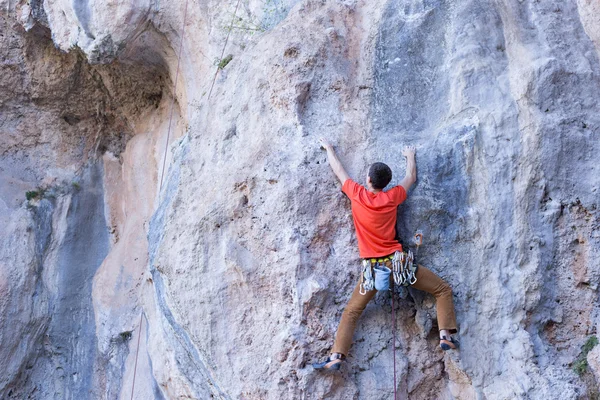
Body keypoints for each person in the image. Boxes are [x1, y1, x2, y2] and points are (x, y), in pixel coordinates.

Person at [312, 138, 458, 371]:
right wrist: (410, 155)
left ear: (368, 179)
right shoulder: (392, 197)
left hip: (373, 271)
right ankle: (445, 335)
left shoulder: (357, 194)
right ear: (386, 183)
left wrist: (329, 148)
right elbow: (411, 177)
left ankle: (337, 355)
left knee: (352, 311)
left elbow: (339, 170)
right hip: (399, 265)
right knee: (442, 290)